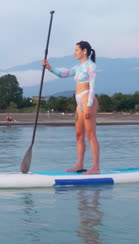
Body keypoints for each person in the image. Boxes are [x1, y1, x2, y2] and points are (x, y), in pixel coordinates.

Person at [42, 41, 100, 174]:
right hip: (79, 101)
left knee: (91, 135)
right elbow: (63, 75)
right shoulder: (78, 67)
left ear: (84, 51)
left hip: (87, 100)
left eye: (76, 50)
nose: (74, 52)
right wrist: (49, 67)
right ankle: (79, 164)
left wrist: (90, 105)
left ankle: (96, 167)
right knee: (79, 135)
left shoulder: (91, 66)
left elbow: (92, 86)